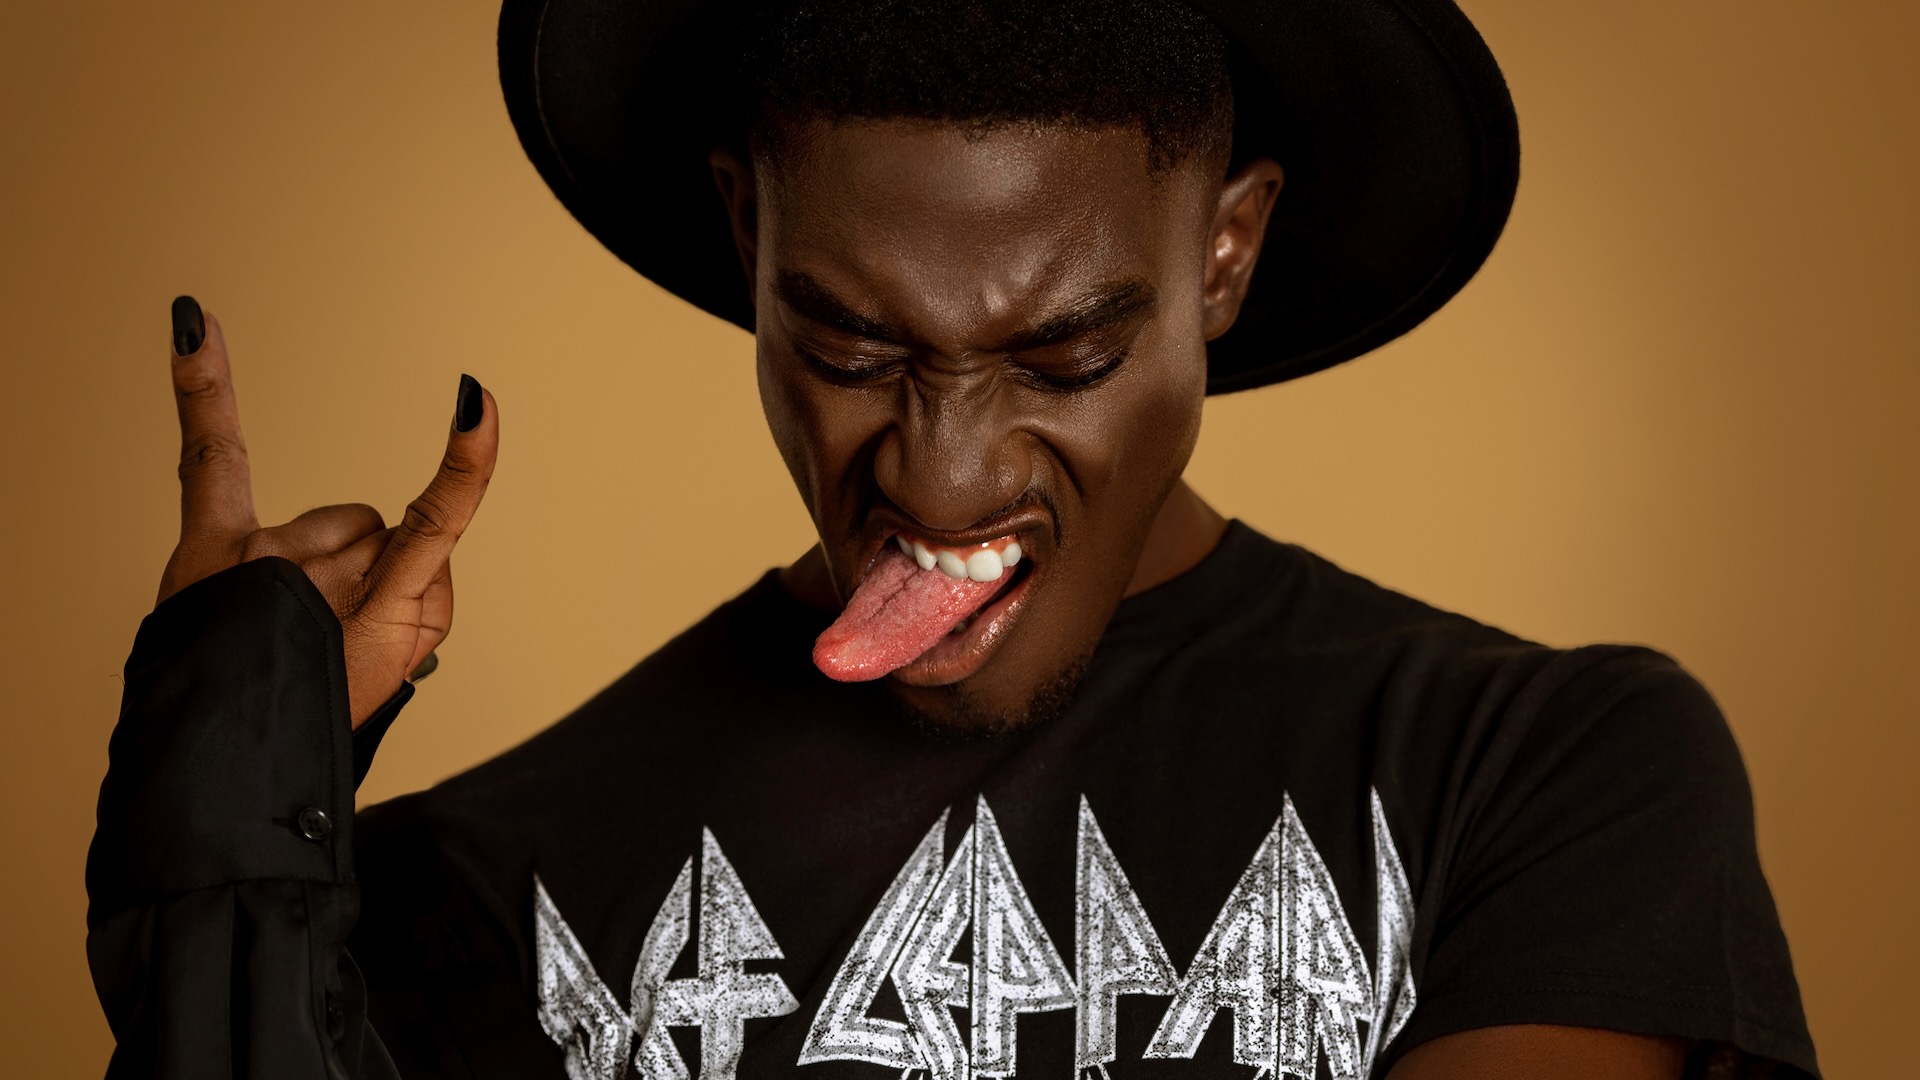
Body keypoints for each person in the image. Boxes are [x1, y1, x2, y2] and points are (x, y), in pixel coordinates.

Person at [86, 1, 1819, 1077]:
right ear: (747, 237)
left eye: (1062, 358)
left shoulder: (1540, 773)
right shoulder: (466, 889)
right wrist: (227, 841)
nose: (941, 470)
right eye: (852, 348)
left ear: (1224, 257)